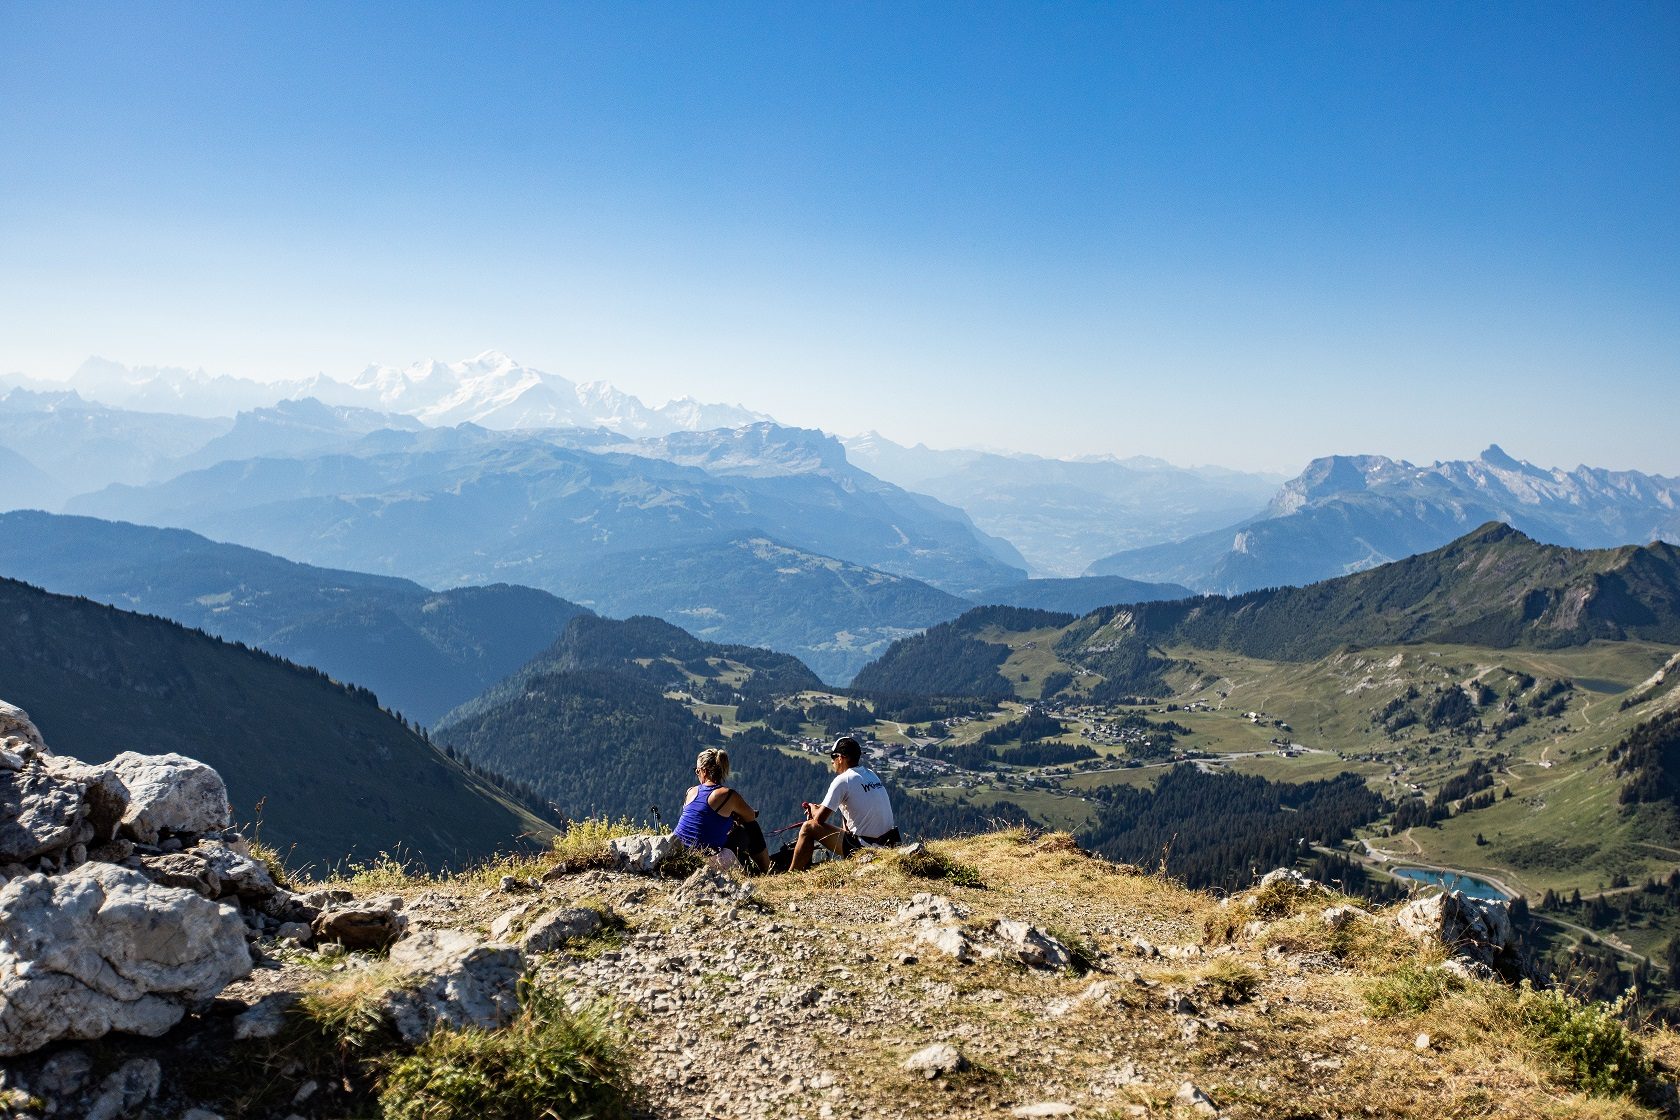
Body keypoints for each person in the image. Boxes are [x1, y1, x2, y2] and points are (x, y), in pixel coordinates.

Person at [786, 735, 899, 871]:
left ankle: (792, 873)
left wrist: (813, 808)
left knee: (808, 828)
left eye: (833, 757)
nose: (832, 761)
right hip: (889, 844)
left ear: (840, 757)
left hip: (866, 846)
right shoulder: (870, 774)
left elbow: (818, 819)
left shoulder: (843, 780)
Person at [672, 748, 769, 872]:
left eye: (697, 771)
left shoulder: (690, 791)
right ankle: (767, 870)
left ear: (704, 771)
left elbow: (702, 821)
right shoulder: (728, 795)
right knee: (750, 828)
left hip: (677, 853)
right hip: (704, 861)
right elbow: (750, 816)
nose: (697, 774)